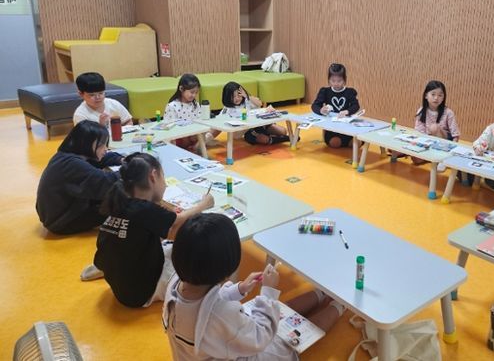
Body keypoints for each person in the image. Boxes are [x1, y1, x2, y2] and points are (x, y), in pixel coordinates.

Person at [163, 213, 345, 360]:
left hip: (210, 348)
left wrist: (240, 288)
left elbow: (208, 303)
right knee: (293, 339)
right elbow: (260, 337)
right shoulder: (221, 315)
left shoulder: (178, 283)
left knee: (278, 310)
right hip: (243, 349)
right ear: (226, 266)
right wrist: (268, 292)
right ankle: (340, 305)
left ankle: (321, 294)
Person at [93, 153, 214, 308]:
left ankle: (107, 268)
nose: (165, 184)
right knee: (196, 257)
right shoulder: (144, 209)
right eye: (163, 177)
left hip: (120, 285)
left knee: (165, 245)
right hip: (142, 293)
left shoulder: (121, 201)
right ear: (153, 176)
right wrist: (204, 204)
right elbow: (176, 225)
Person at [36, 120, 120, 235]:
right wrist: (131, 170)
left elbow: (99, 159)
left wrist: (121, 159)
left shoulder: (67, 155)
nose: (105, 148)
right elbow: (105, 182)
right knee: (122, 202)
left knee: (111, 196)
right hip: (62, 221)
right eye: (101, 145)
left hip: (57, 212)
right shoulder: (73, 165)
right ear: (86, 143)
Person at [220, 82, 289, 145]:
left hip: (261, 124)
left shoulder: (247, 100)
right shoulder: (228, 108)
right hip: (249, 130)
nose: (237, 98)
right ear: (228, 97)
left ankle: (274, 136)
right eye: (233, 97)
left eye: (239, 95)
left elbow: (259, 103)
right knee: (264, 139)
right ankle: (280, 139)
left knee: (283, 131)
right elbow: (220, 121)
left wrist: (247, 96)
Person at [412, 80, 460, 167]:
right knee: (415, 159)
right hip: (428, 142)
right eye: (433, 94)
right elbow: (419, 132)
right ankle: (432, 156)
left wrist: (451, 152)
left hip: (444, 144)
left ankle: (442, 158)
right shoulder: (422, 111)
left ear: (443, 97)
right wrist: (418, 146)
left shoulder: (448, 112)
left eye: (440, 95)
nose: (436, 98)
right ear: (426, 96)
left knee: (434, 127)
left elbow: (455, 135)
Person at [311, 63, 360, 148]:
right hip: (332, 127)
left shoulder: (349, 92)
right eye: (333, 81)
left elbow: (356, 106)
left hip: (346, 126)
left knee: (356, 143)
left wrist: (347, 111)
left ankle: (348, 141)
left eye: (339, 81)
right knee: (335, 143)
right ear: (329, 80)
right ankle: (338, 140)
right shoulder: (325, 91)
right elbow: (315, 105)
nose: (336, 83)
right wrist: (321, 110)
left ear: (344, 80)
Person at [164, 74, 215, 151]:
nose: (194, 95)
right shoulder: (172, 106)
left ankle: (197, 146)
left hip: (195, 135)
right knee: (184, 137)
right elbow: (169, 128)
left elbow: (200, 120)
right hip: (181, 138)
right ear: (181, 89)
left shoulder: (195, 104)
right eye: (192, 92)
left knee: (214, 128)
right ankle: (198, 145)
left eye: (196, 92)